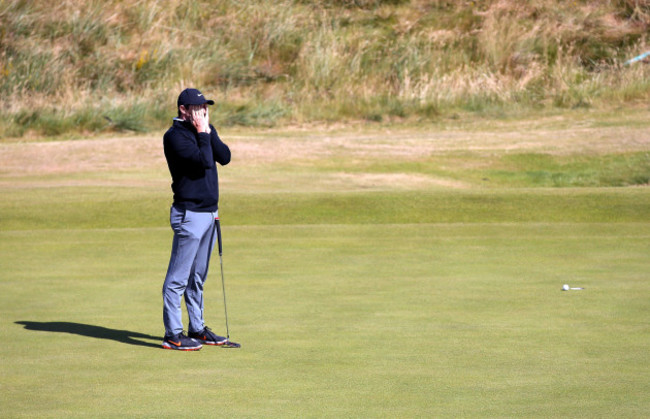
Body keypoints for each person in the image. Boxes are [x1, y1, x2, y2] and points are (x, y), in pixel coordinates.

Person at [161, 88, 231, 351]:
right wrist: (203, 133)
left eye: (205, 107)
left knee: (198, 276)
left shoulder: (205, 130)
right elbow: (203, 161)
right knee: (178, 278)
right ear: (183, 110)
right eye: (198, 107)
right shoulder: (175, 137)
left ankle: (197, 328)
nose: (203, 111)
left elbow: (224, 157)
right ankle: (173, 334)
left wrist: (207, 131)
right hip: (189, 215)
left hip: (210, 213)